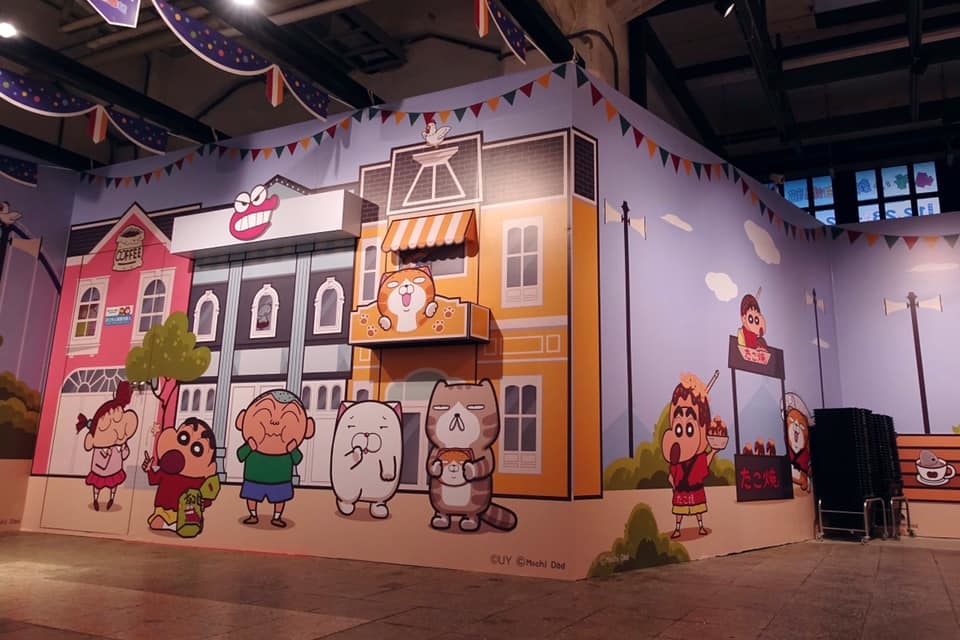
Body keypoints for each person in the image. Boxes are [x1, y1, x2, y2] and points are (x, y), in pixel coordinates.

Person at [235, 389, 315, 528]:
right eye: (265, 413)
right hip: (254, 478)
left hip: (280, 479)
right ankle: (253, 514)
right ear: (242, 420)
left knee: (280, 498)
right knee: (252, 496)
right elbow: (240, 455)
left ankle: (276, 517)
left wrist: (292, 449)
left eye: (288, 416)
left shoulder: (288, 449)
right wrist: (249, 447)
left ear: (308, 429)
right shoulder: (252, 445)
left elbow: (298, 459)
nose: (274, 421)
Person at [661, 373, 726, 538]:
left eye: (690, 428)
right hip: (682, 491)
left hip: (694, 489)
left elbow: (705, 461)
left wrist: (714, 451)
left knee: (698, 509)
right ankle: (678, 528)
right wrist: (673, 482)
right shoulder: (677, 461)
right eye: (677, 428)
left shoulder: (698, 458)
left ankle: (700, 526)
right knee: (679, 511)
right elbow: (671, 476)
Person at [142, 417, 221, 537]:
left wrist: (203, 503)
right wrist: (149, 470)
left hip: (185, 513)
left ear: (209, 467)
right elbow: (154, 480)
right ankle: (170, 524)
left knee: (185, 523)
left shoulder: (198, 480)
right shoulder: (166, 471)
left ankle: (179, 524)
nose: (184, 450)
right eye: (183, 438)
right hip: (163, 509)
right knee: (157, 522)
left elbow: (204, 497)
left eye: (197, 449)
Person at [76, 381, 139, 511]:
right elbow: (97, 460)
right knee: (97, 485)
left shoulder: (118, 445)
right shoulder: (99, 446)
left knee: (113, 484)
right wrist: (105, 454)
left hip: (114, 469)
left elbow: (125, 454)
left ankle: (111, 498)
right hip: (100, 470)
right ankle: (96, 499)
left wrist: (123, 449)